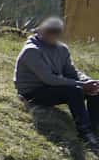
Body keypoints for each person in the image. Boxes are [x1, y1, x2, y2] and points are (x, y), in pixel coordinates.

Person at [15, 17, 99, 146]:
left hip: (53, 87)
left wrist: (89, 81)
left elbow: (71, 72)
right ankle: (85, 132)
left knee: (95, 90)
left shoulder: (62, 49)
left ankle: (94, 129)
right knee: (74, 91)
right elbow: (49, 79)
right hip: (33, 91)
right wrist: (82, 85)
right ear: (40, 32)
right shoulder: (31, 51)